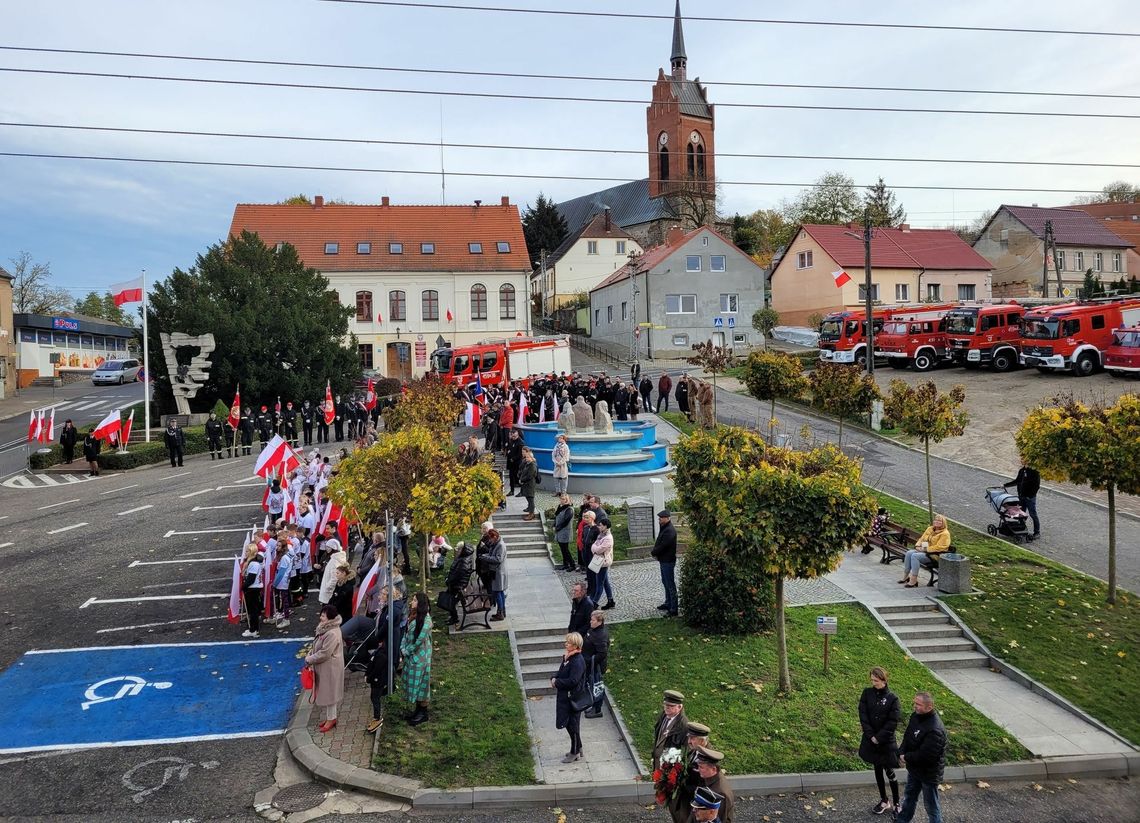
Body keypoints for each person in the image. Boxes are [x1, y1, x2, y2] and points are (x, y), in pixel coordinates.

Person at [895, 692, 947, 823]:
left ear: (929, 707)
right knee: (909, 797)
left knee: (931, 806)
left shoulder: (935, 729)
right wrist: (901, 751)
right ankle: (902, 820)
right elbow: (907, 737)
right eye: (915, 703)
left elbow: (926, 756)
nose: (915, 706)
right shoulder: (916, 716)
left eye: (918, 704)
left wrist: (905, 757)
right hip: (915, 769)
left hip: (929, 774)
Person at [859, 666, 902, 816]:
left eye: (876, 681)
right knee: (877, 770)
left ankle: (897, 803)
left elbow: (892, 722)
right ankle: (884, 800)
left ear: (884, 680)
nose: (873, 683)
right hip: (871, 740)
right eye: (871, 680)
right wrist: (871, 735)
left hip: (885, 742)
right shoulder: (867, 693)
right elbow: (863, 714)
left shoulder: (893, 699)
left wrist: (879, 737)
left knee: (889, 771)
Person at [364, 585, 406, 733]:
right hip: (387, 645)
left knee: (377, 683)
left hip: (387, 647)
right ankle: (389, 686)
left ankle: (377, 717)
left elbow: (385, 627)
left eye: (382, 594)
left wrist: (377, 639)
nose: (380, 596)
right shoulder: (392, 608)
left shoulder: (392, 611)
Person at [305, 604, 345, 733]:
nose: (321, 617)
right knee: (329, 694)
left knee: (330, 695)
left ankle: (331, 719)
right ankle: (330, 718)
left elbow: (325, 653)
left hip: (330, 668)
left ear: (330, 618)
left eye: (323, 616)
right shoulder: (326, 629)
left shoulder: (332, 633)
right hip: (326, 668)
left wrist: (310, 658)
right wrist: (311, 653)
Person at [550, 631, 587, 763]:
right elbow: (561, 672)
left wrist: (557, 682)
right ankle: (579, 747)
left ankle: (575, 752)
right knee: (571, 724)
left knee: (572, 725)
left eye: (569, 642)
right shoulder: (568, 658)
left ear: (576, 645)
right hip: (566, 698)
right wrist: (554, 677)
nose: (566, 644)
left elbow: (573, 681)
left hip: (573, 699)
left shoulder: (577, 661)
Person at [400, 591, 433, 725]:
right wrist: (403, 647)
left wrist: (406, 651)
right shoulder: (414, 616)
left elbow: (418, 641)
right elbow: (407, 634)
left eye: (414, 600)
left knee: (422, 685)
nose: (411, 602)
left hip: (420, 658)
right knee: (415, 683)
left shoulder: (426, 620)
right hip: (412, 656)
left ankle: (423, 712)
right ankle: (418, 710)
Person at [900, 515, 951, 588]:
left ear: (943, 523)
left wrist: (925, 549)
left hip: (935, 555)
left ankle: (913, 579)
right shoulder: (930, 529)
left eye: (939, 521)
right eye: (935, 520)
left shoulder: (945, 534)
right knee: (909, 553)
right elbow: (922, 539)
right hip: (925, 551)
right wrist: (917, 546)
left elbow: (940, 547)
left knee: (915, 556)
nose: (936, 522)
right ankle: (906, 576)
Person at [690, 746, 735, 823]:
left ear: (713, 769)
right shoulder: (711, 778)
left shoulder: (720, 793)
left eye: (701, 767)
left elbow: (717, 819)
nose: (698, 769)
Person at [1004, 460, 1042, 541]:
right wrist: (1005, 485)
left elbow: (1036, 486)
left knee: (1033, 514)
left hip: (1030, 498)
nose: (1022, 461)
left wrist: (1030, 495)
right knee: (1021, 514)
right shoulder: (1021, 471)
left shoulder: (1035, 472)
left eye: (1025, 460)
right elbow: (1017, 481)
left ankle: (1037, 532)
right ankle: (1022, 530)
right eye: (1022, 460)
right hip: (1021, 496)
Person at [652, 689, 688, 771]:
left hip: (671, 768)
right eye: (665, 704)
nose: (667, 707)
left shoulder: (683, 725)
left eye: (671, 706)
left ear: (679, 707)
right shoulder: (663, 716)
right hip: (658, 763)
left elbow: (685, 750)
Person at [581, 609, 609, 718]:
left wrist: (589, 661)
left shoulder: (601, 635)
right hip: (589, 665)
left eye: (593, 620)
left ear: (599, 621)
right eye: (591, 620)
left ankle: (597, 709)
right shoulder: (593, 630)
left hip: (595, 667)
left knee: (597, 686)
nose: (590, 622)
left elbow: (602, 654)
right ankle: (592, 704)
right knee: (590, 685)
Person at [652, 510, 679, 617]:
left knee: (670, 584)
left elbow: (663, 545)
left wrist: (654, 552)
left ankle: (674, 608)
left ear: (667, 518)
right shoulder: (665, 528)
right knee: (665, 582)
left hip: (668, 560)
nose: (659, 520)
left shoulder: (669, 531)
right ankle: (668, 603)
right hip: (664, 560)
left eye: (661, 518)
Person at [444, 540, 474, 626]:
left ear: (462, 550)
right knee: (450, 601)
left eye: (458, 549)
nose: (457, 550)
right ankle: (453, 617)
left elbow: (456, 575)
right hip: (458, 585)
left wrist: (448, 580)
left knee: (451, 602)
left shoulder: (463, 561)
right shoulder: (464, 558)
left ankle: (454, 618)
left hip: (457, 585)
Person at [482, 527, 508, 621]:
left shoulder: (500, 545)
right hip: (496, 571)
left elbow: (498, 559)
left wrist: (485, 558)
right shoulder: (496, 543)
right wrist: (487, 555)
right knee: (499, 592)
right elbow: (493, 555)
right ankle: (502, 611)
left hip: (498, 572)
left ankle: (500, 613)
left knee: (497, 592)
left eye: (490, 538)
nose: (489, 540)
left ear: (495, 537)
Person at [590, 518, 615, 610]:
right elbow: (594, 546)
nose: (598, 526)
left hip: (603, 562)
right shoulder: (601, 535)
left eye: (600, 525)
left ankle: (594, 603)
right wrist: (595, 548)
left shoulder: (608, 538)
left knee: (599, 584)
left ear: (605, 526)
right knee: (605, 582)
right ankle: (610, 601)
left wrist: (595, 548)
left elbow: (598, 549)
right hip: (599, 560)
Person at [240, 543, 264, 638]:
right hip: (254, 588)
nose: (245, 553)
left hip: (253, 588)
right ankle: (254, 628)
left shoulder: (254, 563)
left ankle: (253, 629)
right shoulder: (253, 562)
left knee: (252, 610)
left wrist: (243, 587)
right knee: (253, 610)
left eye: (247, 551)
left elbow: (251, 579)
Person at [318, 538, 347, 607]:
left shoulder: (334, 561)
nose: (326, 549)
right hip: (331, 592)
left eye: (328, 547)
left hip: (329, 593)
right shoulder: (336, 558)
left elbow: (334, 578)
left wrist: (327, 588)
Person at [553, 493, 576, 571]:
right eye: (561, 499)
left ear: (567, 500)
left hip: (565, 531)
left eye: (563, 499)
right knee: (562, 548)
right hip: (560, 530)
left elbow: (566, 521)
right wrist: (554, 525)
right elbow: (557, 517)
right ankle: (565, 564)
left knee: (565, 549)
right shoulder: (561, 507)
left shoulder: (569, 509)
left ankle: (572, 565)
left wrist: (558, 527)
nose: (561, 500)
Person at [519, 448, 539, 521]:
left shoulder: (532, 465)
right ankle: (530, 512)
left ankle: (531, 514)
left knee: (531, 499)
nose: (526, 458)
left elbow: (530, 476)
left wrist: (522, 480)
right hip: (526, 484)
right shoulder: (528, 464)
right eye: (526, 457)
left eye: (528, 457)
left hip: (530, 485)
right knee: (528, 498)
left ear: (531, 458)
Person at [505, 428, 524, 495]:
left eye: (515, 436)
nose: (513, 438)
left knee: (519, 477)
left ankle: (522, 491)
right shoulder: (511, 440)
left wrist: (513, 458)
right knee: (511, 476)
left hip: (517, 463)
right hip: (511, 463)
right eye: (512, 436)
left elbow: (520, 454)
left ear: (517, 435)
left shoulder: (520, 442)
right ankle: (512, 491)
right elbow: (508, 449)